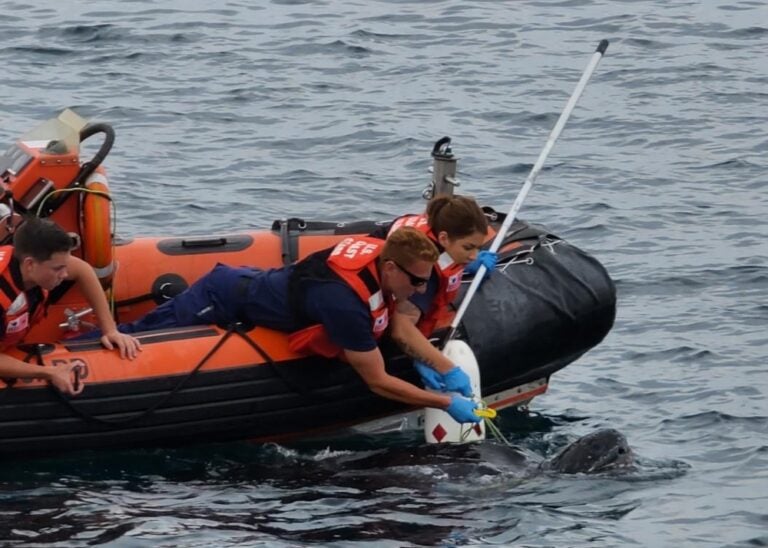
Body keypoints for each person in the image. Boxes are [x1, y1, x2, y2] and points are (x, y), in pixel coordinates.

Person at [106, 227, 481, 423]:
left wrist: (428, 361)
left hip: (260, 282)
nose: (420, 289)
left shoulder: (376, 257)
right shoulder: (345, 303)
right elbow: (377, 381)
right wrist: (445, 402)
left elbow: (395, 322)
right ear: (389, 268)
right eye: (417, 282)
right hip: (218, 298)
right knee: (135, 339)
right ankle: (77, 342)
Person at [371, 195, 497, 398]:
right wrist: (444, 367)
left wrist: (464, 262)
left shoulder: (431, 231)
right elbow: (401, 328)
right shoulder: (424, 271)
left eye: (477, 248)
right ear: (444, 238)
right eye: (468, 248)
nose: (474, 255)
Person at [0, 216, 141, 395]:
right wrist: (49, 372)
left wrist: (110, 330)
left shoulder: (30, 264)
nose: (65, 274)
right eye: (58, 269)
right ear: (30, 264)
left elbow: (83, 270)